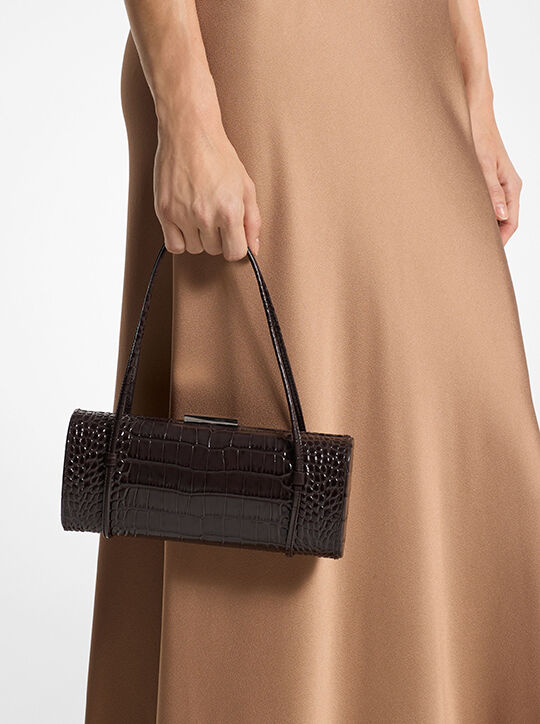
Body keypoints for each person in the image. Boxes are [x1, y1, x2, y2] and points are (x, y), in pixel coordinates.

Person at [85, 1, 540, 722]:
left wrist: (476, 91)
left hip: (417, 59)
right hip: (259, 62)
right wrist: (187, 110)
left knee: (478, 452)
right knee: (273, 477)